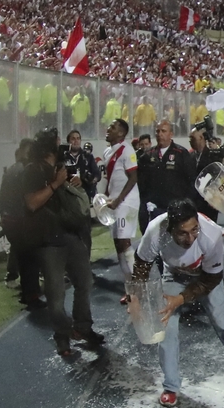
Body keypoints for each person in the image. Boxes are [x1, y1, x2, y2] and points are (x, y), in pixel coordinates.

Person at [130, 199, 224, 407]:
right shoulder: (156, 230)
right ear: (170, 228)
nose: (191, 237)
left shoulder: (211, 235)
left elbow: (211, 279)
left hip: (204, 277)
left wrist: (181, 299)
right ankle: (171, 385)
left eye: (194, 230)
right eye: (183, 233)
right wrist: (136, 298)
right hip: (173, 276)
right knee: (165, 325)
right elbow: (141, 265)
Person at [23, 128, 102, 357]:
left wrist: (71, 181)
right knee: (56, 297)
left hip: (70, 235)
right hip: (48, 242)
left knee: (85, 282)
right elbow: (31, 203)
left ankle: (83, 327)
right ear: (48, 146)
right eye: (57, 142)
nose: (62, 146)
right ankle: (62, 335)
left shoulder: (60, 167)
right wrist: (56, 184)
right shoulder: (32, 171)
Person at [0, 138, 43, 309]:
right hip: (21, 220)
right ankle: (31, 296)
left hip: (10, 220)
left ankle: (27, 293)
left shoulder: (11, 170)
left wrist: (3, 215)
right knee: (30, 259)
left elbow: (1, 197)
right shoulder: (27, 170)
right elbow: (28, 199)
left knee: (22, 257)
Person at [102, 119, 140, 304]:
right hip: (115, 204)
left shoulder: (127, 150)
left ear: (122, 134)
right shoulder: (108, 151)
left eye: (113, 127)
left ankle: (138, 288)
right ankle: (129, 288)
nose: (108, 129)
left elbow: (133, 177)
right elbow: (109, 179)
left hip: (126, 203)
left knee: (124, 242)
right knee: (118, 244)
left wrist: (119, 199)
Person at [137, 119, 197, 233]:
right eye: (157, 131)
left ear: (171, 134)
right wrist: (146, 201)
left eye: (163, 131)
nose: (160, 134)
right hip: (154, 208)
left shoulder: (181, 154)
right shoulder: (147, 156)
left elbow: (191, 180)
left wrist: (186, 203)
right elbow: (141, 182)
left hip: (176, 208)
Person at [63, 130, 100, 201]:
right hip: (68, 197)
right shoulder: (63, 157)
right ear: (68, 141)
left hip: (86, 197)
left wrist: (85, 181)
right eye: (73, 139)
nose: (76, 141)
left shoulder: (88, 156)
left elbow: (97, 175)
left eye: (78, 138)